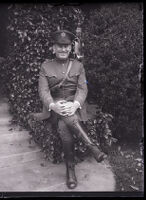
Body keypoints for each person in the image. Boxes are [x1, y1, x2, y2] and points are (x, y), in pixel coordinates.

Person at [38, 30, 107, 189]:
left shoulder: (78, 65)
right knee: (64, 118)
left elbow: (82, 89)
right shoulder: (45, 66)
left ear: (70, 48)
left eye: (66, 46)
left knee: (64, 125)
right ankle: (92, 148)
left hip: (74, 106)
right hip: (54, 108)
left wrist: (75, 104)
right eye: (59, 46)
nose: (63, 49)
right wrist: (53, 105)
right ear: (53, 48)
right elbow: (43, 91)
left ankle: (71, 170)